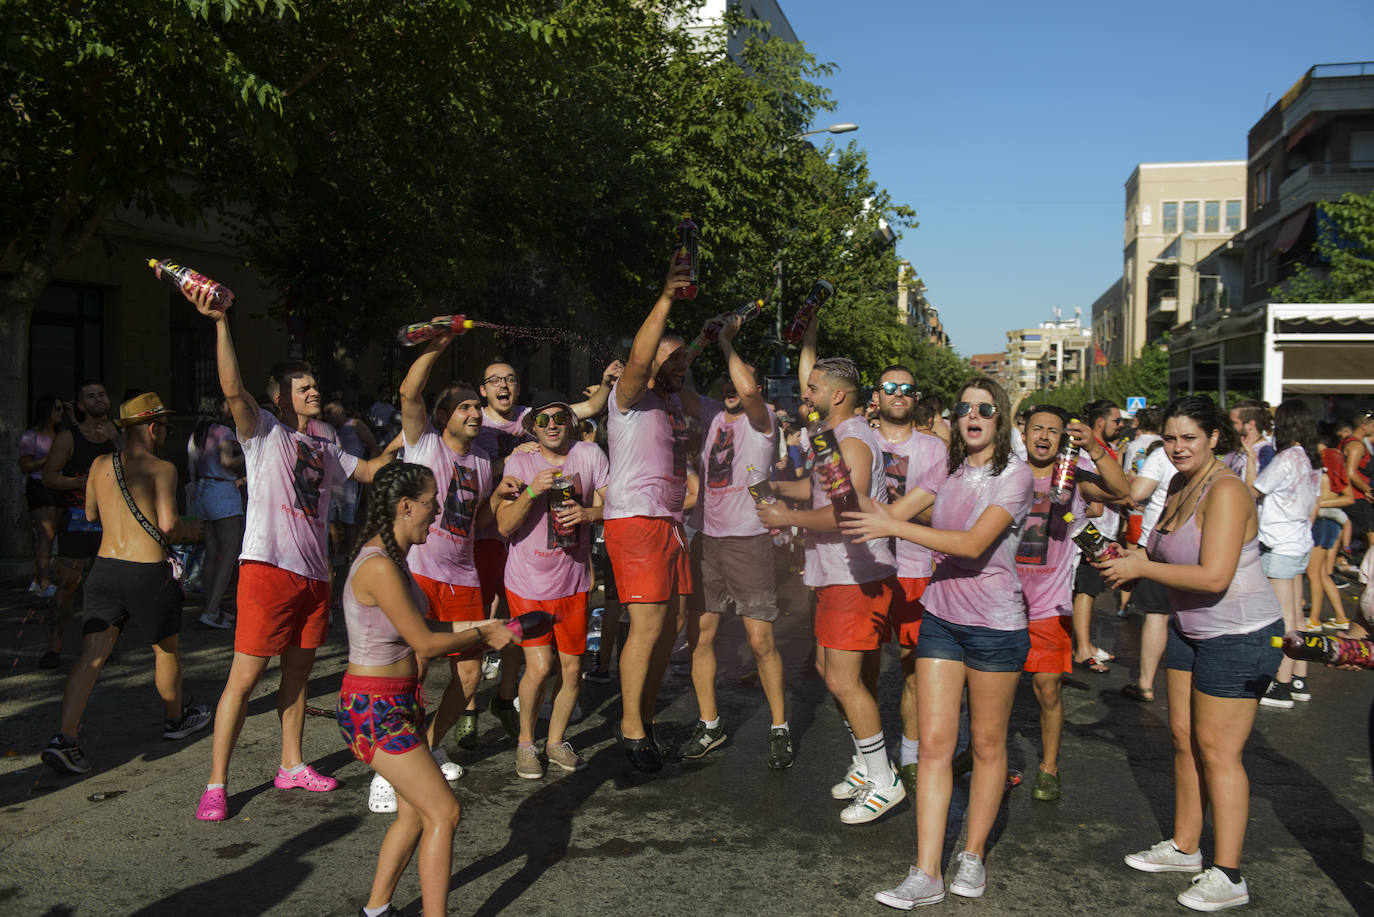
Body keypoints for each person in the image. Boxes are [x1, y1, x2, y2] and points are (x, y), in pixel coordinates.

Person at [189, 285, 389, 822]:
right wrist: (220, 323)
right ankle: (216, 782)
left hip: (314, 577)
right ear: (278, 396)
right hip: (267, 571)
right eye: (302, 386)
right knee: (243, 680)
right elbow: (232, 389)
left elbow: (370, 471)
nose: (312, 391)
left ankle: (291, 764)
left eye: (314, 385)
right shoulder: (264, 432)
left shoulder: (324, 446)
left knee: (297, 678)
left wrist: (417, 432)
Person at [845, 377, 1033, 908]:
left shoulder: (1014, 477)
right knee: (932, 745)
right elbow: (890, 515)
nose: (973, 416)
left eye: (985, 409)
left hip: (996, 625)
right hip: (942, 619)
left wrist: (897, 529)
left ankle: (971, 855)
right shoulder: (946, 467)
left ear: (1001, 418)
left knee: (989, 745)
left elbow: (973, 545)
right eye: (964, 408)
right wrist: (841, 485)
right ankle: (926, 871)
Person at [1097, 395, 1282, 913]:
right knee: (1183, 739)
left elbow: (1214, 576)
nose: (1178, 448)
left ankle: (1229, 873)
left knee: (1219, 752)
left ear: (1214, 438)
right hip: (1190, 626)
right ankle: (1184, 845)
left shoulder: (1225, 491)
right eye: (1172, 439)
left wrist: (1142, 570)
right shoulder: (1181, 483)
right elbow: (1158, 549)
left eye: (1189, 439)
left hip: (1240, 634)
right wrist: (1128, 555)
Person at [336, 461, 515, 917]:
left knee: (416, 813)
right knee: (445, 813)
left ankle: (375, 911)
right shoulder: (378, 567)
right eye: (431, 504)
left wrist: (483, 624)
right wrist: (482, 636)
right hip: (373, 708)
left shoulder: (393, 561)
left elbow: (428, 626)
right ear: (405, 506)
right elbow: (427, 644)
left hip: (395, 702)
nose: (436, 513)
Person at [757, 314, 899, 825]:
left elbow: (848, 513)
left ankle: (884, 780)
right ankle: (867, 764)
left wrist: (786, 516)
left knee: (844, 682)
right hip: (834, 574)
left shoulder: (853, 441)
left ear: (837, 396)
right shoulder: (829, 435)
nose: (805, 394)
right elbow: (820, 494)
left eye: (813, 389)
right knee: (828, 672)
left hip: (856, 575)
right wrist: (775, 489)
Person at [41, 393, 211, 774]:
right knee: (165, 650)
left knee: (91, 656)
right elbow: (168, 525)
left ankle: (65, 739)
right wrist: (193, 529)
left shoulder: (100, 463)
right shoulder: (162, 468)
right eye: (164, 425)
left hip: (105, 570)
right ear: (152, 427)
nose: (165, 431)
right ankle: (175, 720)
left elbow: (88, 512)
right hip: (146, 572)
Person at [391, 327, 508, 808]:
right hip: (419, 573)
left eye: (477, 407)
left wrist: (501, 498)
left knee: (469, 674)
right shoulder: (425, 446)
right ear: (444, 417)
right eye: (465, 407)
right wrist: (439, 343)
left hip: (462, 576)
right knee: (412, 670)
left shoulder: (483, 461)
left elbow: (476, 520)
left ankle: (431, 745)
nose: (476, 413)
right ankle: (397, 760)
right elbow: (408, 392)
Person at [679, 314, 791, 769]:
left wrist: (727, 342)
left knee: (760, 639)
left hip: (748, 541)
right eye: (724, 381)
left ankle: (780, 726)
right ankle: (710, 725)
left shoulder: (761, 423)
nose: (733, 387)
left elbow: (747, 391)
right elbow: (673, 378)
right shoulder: (707, 413)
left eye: (740, 380)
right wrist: (702, 339)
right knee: (700, 634)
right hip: (707, 539)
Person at [1014, 405, 1129, 801]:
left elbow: (1121, 491)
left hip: (1048, 606)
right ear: (1023, 433)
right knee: (988, 691)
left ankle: (1048, 766)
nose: (1044, 436)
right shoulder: (1007, 472)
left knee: (1047, 690)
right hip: (1000, 603)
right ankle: (985, 756)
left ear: (1064, 437)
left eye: (1053, 430)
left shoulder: (1075, 481)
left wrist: (1095, 449)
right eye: (1036, 429)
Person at [496, 390, 608, 777]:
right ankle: (526, 744)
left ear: (571, 422)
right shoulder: (520, 461)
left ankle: (555, 741)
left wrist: (589, 512)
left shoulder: (591, 456)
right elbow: (504, 525)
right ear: (532, 427)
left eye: (559, 417)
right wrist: (531, 491)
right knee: (540, 667)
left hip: (573, 582)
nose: (552, 425)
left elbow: (615, 504)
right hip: (528, 583)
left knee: (573, 670)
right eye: (543, 420)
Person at [871, 364, 946, 796]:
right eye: (890, 387)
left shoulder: (935, 449)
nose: (899, 393)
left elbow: (947, 514)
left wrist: (897, 511)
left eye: (907, 389)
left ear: (916, 398)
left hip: (917, 570)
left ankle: (911, 755)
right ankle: (867, 756)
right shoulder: (857, 440)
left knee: (912, 669)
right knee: (856, 668)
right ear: (876, 396)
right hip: (864, 567)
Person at [40, 381, 119, 669]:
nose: (98, 399)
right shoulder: (69, 438)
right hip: (76, 520)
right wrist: (80, 482)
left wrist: (117, 439)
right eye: (91, 396)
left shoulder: (117, 437)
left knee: (106, 588)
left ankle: (100, 646)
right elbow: (48, 477)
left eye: (102, 393)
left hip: (111, 523)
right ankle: (54, 645)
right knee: (68, 584)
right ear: (81, 406)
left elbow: (140, 468)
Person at [1249, 399, 1321, 709]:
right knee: (1297, 613)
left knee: (1283, 617)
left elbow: (1254, 490)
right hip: (1300, 540)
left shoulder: (1286, 459)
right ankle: (1300, 678)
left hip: (1279, 543)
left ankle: (1281, 683)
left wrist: (1248, 458)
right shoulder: (1310, 459)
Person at [1121, 436, 1176, 703]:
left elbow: (1136, 493)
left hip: (1158, 543)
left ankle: (1145, 682)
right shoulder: (1215, 462)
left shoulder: (1161, 454)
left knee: (1156, 614)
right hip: (1192, 544)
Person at [1070, 398, 1124, 671]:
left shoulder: (1106, 451)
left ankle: (1084, 645)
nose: (1121, 425)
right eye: (1116, 420)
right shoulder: (1086, 455)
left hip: (1099, 533)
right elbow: (1098, 504)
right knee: (1085, 592)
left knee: (1086, 591)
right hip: (1087, 537)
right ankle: (1081, 649)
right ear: (1100, 422)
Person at [188, 397, 246, 629]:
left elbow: (191, 467)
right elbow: (227, 461)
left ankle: (211, 607)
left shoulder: (196, 435)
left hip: (202, 491)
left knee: (212, 553)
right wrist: (250, 453)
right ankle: (212, 611)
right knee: (230, 553)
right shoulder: (223, 431)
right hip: (222, 490)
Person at [19, 395, 64, 598]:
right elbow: (25, 466)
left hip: (59, 486)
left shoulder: (62, 435)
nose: (60, 412)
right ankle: (44, 583)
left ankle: (38, 579)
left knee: (51, 535)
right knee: (45, 536)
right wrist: (50, 459)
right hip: (39, 485)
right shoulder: (32, 436)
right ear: (47, 411)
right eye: (57, 409)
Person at [1229, 399, 1275, 482]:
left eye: (1234, 423)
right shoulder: (1236, 449)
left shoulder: (1265, 453)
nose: (1231, 426)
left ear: (1251, 424)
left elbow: (1257, 491)